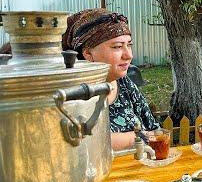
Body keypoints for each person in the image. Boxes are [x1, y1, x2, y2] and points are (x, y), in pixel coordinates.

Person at [62, 8, 160, 150]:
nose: (128, 55)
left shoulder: (125, 84)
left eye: (129, 45)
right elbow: (78, 144)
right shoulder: (73, 94)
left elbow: (155, 132)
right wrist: (133, 138)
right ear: (88, 53)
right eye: (117, 47)